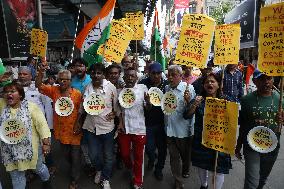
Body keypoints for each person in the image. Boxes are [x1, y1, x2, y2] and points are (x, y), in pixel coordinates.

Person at [235, 69, 284, 189]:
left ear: (273, 80)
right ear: (255, 81)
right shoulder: (246, 100)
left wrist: (281, 119)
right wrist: (238, 145)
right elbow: (243, 125)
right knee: (252, 183)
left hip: (272, 147)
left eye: (269, 78)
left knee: (262, 179)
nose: (266, 82)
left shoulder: (280, 99)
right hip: (251, 146)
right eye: (262, 79)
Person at [36, 68, 83, 189]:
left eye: (65, 80)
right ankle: (75, 166)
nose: (63, 82)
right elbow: (39, 86)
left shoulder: (77, 94)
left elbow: (81, 111)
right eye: (60, 79)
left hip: (74, 131)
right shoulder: (54, 90)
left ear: (70, 81)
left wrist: (78, 124)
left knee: (75, 156)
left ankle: (74, 179)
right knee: (67, 155)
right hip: (61, 132)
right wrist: (41, 73)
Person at [184, 73, 232, 189]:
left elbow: (234, 119)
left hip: (219, 141)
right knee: (201, 165)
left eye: (212, 81)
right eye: (207, 82)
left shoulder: (226, 100)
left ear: (218, 84)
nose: (209, 83)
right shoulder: (199, 99)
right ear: (203, 86)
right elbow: (186, 115)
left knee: (219, 168)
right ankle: (203, 185)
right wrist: (194, 104)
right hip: (202, 141)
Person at [0, 82, 52, 189]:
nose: (9, 94)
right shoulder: (2, 105)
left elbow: (42, 125)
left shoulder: (31, 107)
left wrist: (46, 143)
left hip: (30, 149)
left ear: (20, 94)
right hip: (9, 152)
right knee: (17, 177)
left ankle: (46, 181)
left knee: (39, 168)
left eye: (12, 91)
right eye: (6, 92)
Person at [81, 63, 119, 189]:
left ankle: (106, 178)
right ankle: (98, 170)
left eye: (99, 73)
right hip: (91, 127)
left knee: (108, 156)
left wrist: (115, 113)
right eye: (93, 73)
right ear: (90, 74)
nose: (96, 75)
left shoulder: (111, 87)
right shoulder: (87, 87)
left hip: (107, 127)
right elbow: (83, 107)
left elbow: (117, 107)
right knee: (93, 155)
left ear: (103, 74)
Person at [117, 67, 151, 189]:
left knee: (139, 157)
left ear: (136, 77)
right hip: (125, 128)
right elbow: (118, 110)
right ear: (124, 78)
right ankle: (130, 167)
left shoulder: (143, 89)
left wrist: (148, 102)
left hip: (139, 129)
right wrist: (120, 122)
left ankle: (137, 182)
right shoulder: (119, 91)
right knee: (125, 154)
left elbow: (148, 109)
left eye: (132, 76)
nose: (130, 78)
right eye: (128, 76)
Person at [165, 65, 196, 189]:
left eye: (174, 75)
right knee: (174, 157)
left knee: (186, 156)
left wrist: (189, 101)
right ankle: (178, 181)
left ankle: (186, 168)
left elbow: (192, 110)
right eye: (169, 75)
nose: (171, 78)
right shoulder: (167, 88)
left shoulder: (189, 89)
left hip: (184, 131)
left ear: (180, 76)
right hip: (169, 130)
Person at [139, 62, 168, 180]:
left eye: (159, 73)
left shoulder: (167, 85)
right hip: (147, 123)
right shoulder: (142, 84)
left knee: (162, 149)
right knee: (150, 148)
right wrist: (147, 103)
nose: (156, 76)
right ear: (148, 73)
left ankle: (159, 168)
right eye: (153, 73)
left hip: (163, 123)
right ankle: (151, 158)